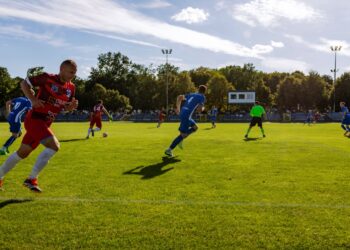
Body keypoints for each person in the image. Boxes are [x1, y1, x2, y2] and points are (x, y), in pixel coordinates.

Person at [0, 60, 78, 192]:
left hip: (46, 123)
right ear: (62, 69)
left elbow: (63, 108)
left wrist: (70, 108)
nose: (73, 75)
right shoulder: (47, 78)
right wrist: (33, 99)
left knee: (22, 153)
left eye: (75, 73)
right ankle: (31, 179)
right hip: (35, 119)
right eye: (71, 72)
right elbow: (24, 83)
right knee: (54, 146)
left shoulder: (71, 87)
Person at [165, 85, 207, 157]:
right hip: (186, 115)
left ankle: (180, 139)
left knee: (195, 127)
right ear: (204, 92)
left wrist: (178, 108)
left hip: (183, 112)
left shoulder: (191, 94)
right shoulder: (202, 97)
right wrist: (203, 108)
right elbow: (199, 110)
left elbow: (179, 97)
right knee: (183, 135)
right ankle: (169, 149)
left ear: (198, 89)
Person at [0, 89, 35, 155]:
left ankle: (6, 147)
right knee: (15, 135)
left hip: (11, 117)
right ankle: (3, 148)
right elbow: (30, 112)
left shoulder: (20, 98)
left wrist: (8, 112)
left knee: (19, 133)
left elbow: (7, 103)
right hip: (16, 119)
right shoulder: (29, 102)